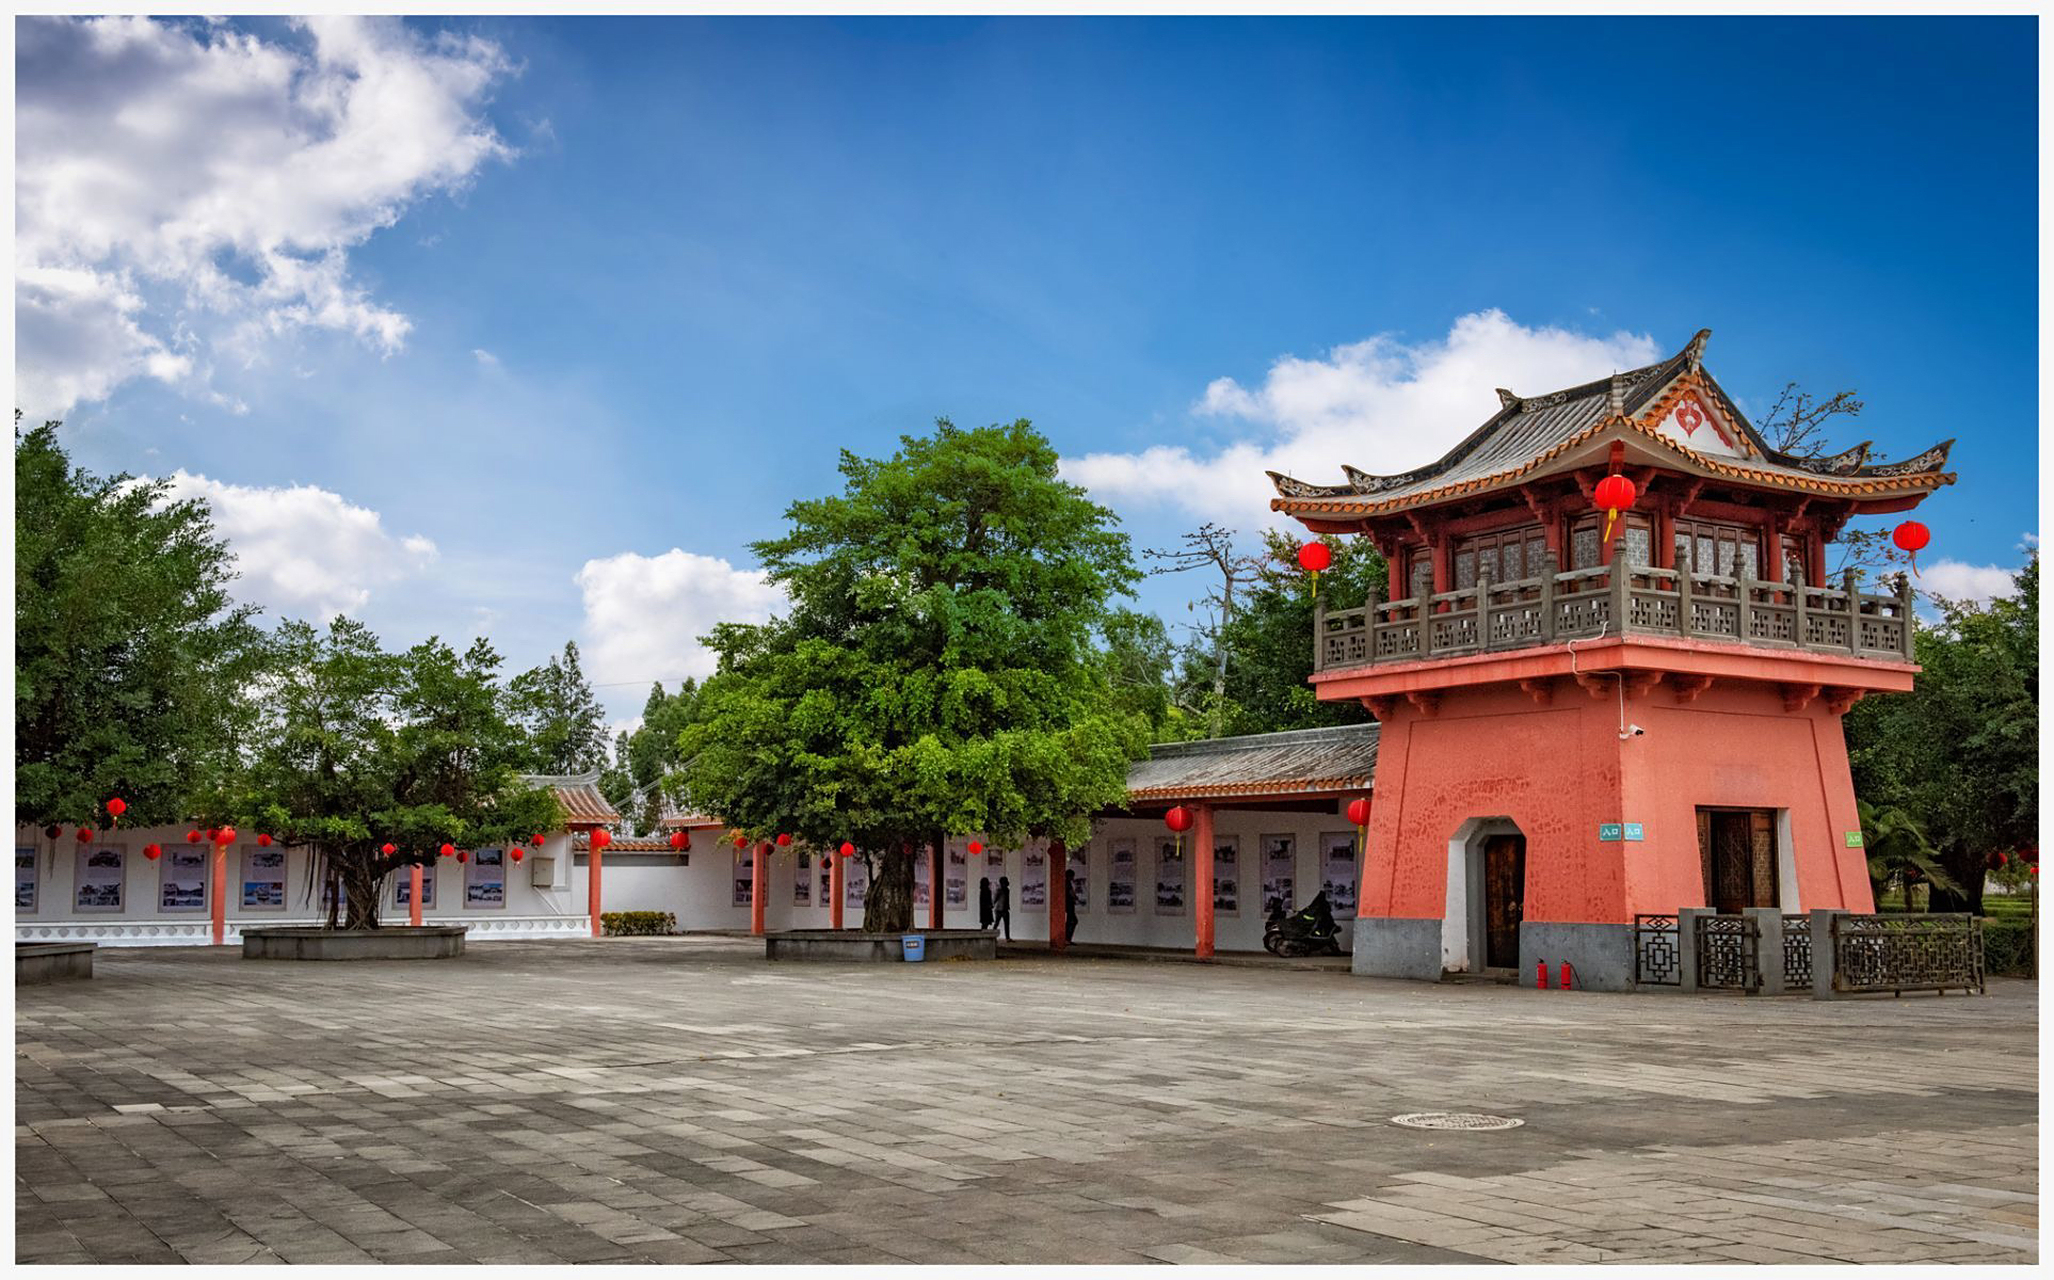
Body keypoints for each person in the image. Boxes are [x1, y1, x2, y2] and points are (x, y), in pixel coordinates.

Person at [993, 875, 1012, 940]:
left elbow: (1007, 899)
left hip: (1005, 909)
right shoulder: (999, 890)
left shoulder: (1007, 890)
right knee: (996, 923)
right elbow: (995, 899)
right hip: (999, 910)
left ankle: (1007, 938)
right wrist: (992, 905)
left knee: (1007, 924)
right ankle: (992, 936)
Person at [1063, 869, 1079, 944]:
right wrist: (1076, 897)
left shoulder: (1066, 882)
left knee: (1071, 921)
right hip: (1069, 904)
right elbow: (1071, 892)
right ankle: (1067, 938)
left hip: (1068, 903)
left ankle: (1067, 938)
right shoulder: (1067, 883)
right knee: (1072, 921)